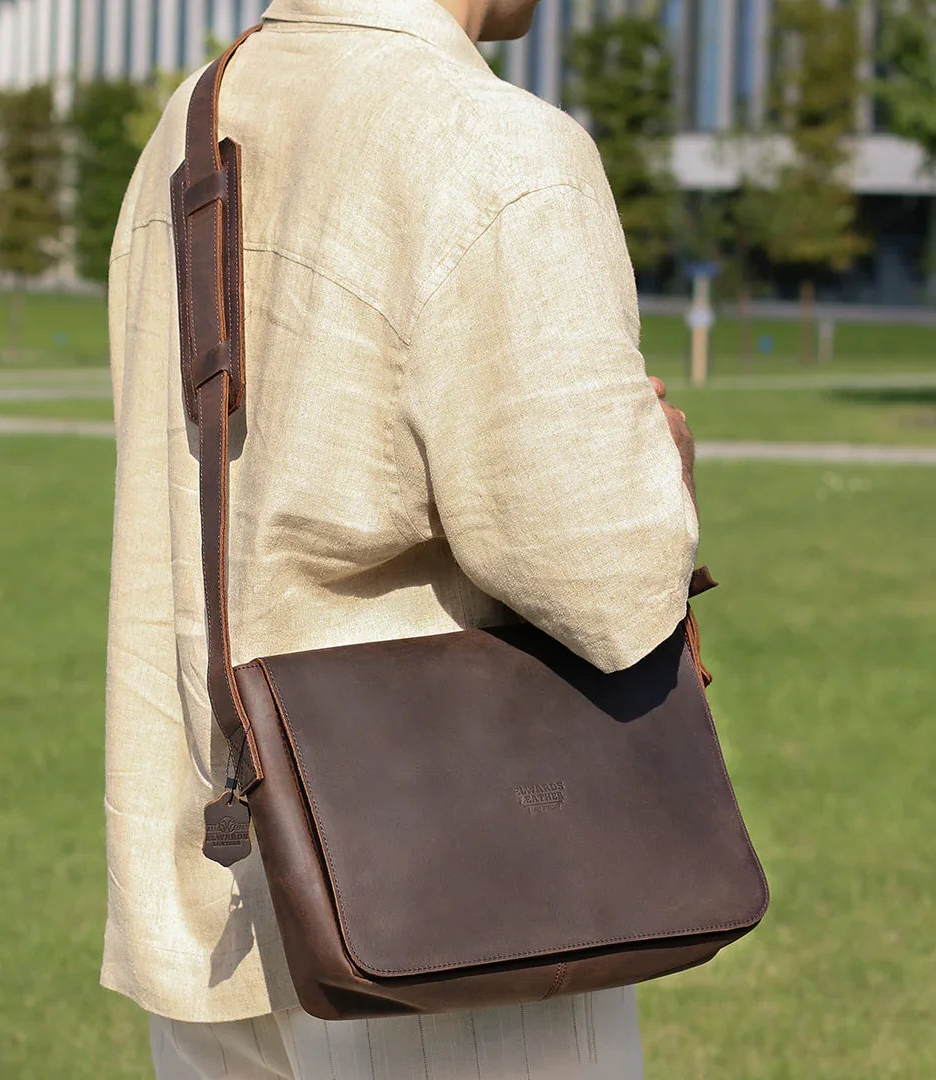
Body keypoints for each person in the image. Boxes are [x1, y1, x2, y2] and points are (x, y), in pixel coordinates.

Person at [103, 0, 698, 1076]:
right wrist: (662, 466)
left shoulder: (194, 120)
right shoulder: (490, 141)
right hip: (448, 909)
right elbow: (604, 582)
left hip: (218, 883)